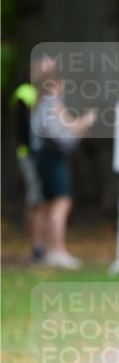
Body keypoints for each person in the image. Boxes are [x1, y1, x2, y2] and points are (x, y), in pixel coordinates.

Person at [28, 56, 96, 269]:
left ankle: (50, 250)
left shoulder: (40, 100)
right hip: (51, 157)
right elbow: (64, 133)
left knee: (51, 204)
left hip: (43, 157)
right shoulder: (51, 102)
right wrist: (86, 122)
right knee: (61, 202)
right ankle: (57, 250)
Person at [10, 79, 46, 263]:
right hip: (30, 155)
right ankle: (37, 247)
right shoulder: (25, 92)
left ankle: (42, 246)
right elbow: (21, 124)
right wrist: (32, 150)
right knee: (35, 200)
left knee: (41, 200)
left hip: (40, 154)